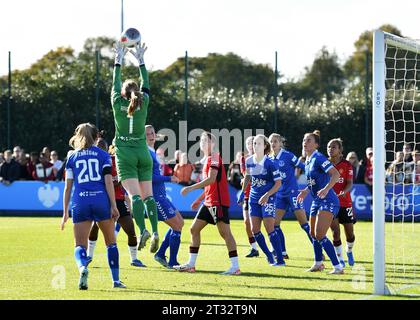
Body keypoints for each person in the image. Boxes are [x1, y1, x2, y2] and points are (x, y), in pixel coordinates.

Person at [60, 123, 125, 289]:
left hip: (80, 202)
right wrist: (113, 205)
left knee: (79, 245)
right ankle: (116, 281)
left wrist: (65, 212)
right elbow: (108, 181)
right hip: (101, 201)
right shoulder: (103, 155)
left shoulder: (72, 157)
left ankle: (82, 268)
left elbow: (68, 187)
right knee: (111, 243)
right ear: (97, 137)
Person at [111, 40, 160, 253]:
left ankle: (143, 230)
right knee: (149, 196)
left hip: (125, 154)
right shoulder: (144, 102)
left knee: (135, 197)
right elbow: (146, 83)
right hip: (143, 153)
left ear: (123, 93)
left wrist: (118, 60)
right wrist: (141, 60)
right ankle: (156, 230)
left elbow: (115, 81)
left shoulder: (116, 101)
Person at [174, 132, 240, 275]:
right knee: (193, 229)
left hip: (218, 202)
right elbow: (210, 186)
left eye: (206, 140)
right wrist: (199, 200)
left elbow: (211, 179)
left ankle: (235, 267)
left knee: (225, 233)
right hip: (209, 202)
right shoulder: (208, 160)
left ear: (213, 144)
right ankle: (191, 265)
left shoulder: (215, 157)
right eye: (201, 140)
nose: (203, 143)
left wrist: (191, 188)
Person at [86, 139, 146, 268]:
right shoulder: (93, 164)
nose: (101, 149)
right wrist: (116, 182)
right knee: (94, 227)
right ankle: (89, 256)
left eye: (103, 146)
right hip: (102, 199)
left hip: (118, 199)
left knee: (130, 229)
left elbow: (125, 176)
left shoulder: (115, 161)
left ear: (107, 148)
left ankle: (134, 259)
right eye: (98, 146)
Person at [297, 132, 343, 274]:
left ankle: (338, 267)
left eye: (309, 140)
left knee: (320, 234)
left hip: (328, 200)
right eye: (304, 140)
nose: (305, 142)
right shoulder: (308, 161)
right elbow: (313, 182)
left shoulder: (319, 158)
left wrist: (326, 188)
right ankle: (318, 263)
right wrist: (306, 190)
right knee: (313, 233)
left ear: (316, 144)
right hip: (317, 200)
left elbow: (336, 174)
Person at [237, 134, 285, 267]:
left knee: (270, 228)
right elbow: (247, 176)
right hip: (253, 199)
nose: (255, 145)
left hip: (268, 199)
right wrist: (242, 192)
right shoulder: (249, 161)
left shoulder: (270, 163)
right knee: (254, 230)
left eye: (258, 143)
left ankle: (280, 260)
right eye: (254, 143)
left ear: (264, 146)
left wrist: (267, 195)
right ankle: (269, 256)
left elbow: (278, 183)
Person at [145, 125, 184, 269]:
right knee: (177, 225)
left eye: (152, 132)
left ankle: (161, 254)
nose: (151, 135)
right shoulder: (146, 154)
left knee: (180, 223)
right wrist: (169, 178)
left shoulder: (153, 152)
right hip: (155, 197)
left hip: (162, 195)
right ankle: (173, 262)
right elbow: (148, 177)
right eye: (147, 134)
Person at [268, 133, 313, 260]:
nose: (273, 143)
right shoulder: (269, 158)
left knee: (304, 224)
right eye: (271, 141)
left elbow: (303, 167)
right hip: (280, 195)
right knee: (274, 225)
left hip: (293, 194)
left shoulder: (288, 156)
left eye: (275, 141)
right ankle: (282, 252)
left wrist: (312, 179)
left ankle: (319, 250)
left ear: (281, 143)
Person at [327, 138, 356, 267]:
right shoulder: (324, 164)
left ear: (340, 150)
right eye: (329, 147)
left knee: (350, 234)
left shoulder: (347, 165)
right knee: (335, 232)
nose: (330, 149)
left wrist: (344, 192)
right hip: (330, 203)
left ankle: (349, 250)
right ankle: (340, 259)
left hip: (345, 203)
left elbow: (350, 183)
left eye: (334, 147)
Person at [240, 136, 259, 257]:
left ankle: (275, 249)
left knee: (268, 224)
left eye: (252, 143)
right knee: (247, 222)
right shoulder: (244, 159)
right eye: (248, 143)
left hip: (261, 194)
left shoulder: (263, 158)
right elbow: (246, 174)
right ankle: (254, 248)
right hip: (247, 194)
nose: (250, 145)